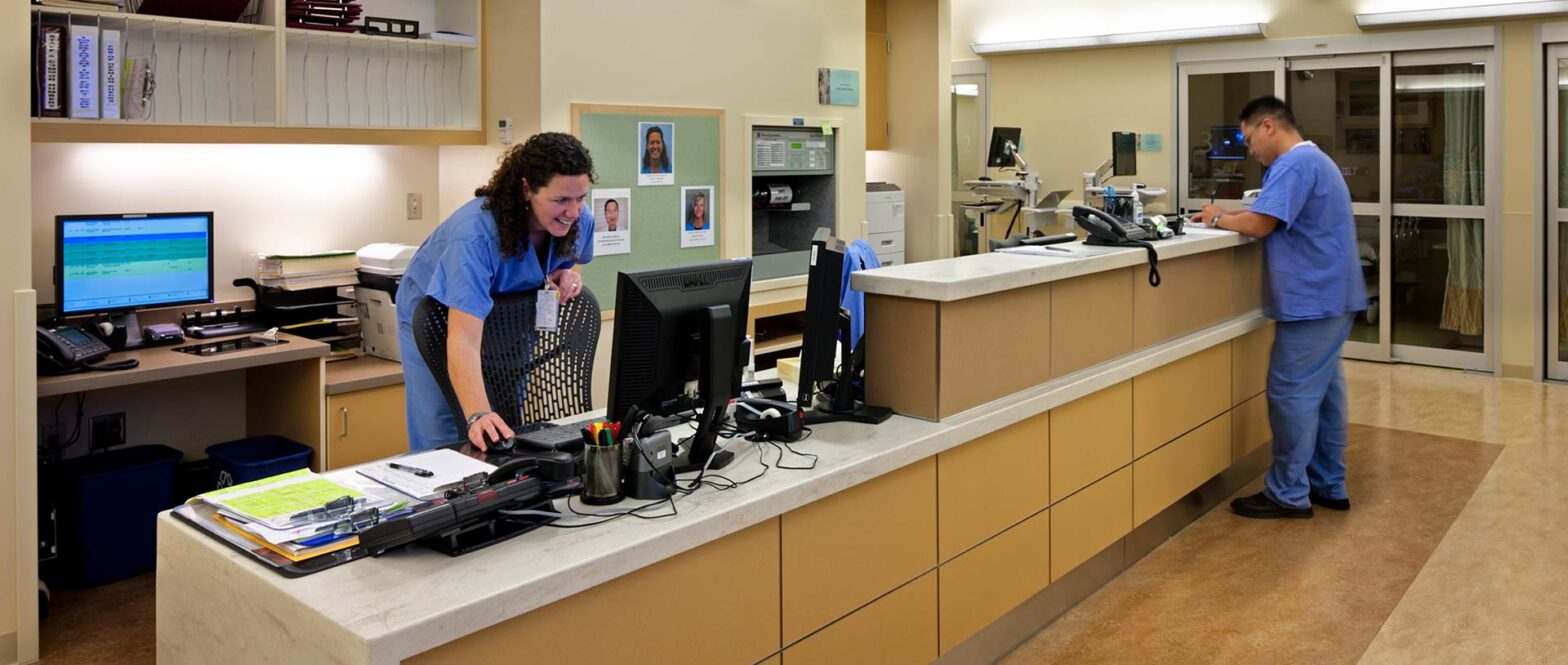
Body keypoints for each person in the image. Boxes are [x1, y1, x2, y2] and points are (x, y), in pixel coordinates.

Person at [1189, 96, 1367, 520]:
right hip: (1331, 296)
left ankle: (1288, 493)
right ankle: (1328, 483)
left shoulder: (1292, 164)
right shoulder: (1314, 160)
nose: (1250, 151)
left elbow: (1259, 224)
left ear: (1268, 126)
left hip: (1313, 301)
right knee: (1323, 396)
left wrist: (1216, 217)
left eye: (1249, 139)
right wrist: (1234, 214)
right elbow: (1268, 214)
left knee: (1292, 396)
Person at [396, 132, 597, 451]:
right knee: (450, 431)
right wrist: (477, 414)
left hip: (507, 320)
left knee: (507, 421)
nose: (573, 212)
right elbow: (461, 338)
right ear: (526, 189)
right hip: (438, 321)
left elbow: (560, 260)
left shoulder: (576, 219)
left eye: (580, 198)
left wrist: (565, 273)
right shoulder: (475, 236)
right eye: (561, 200)